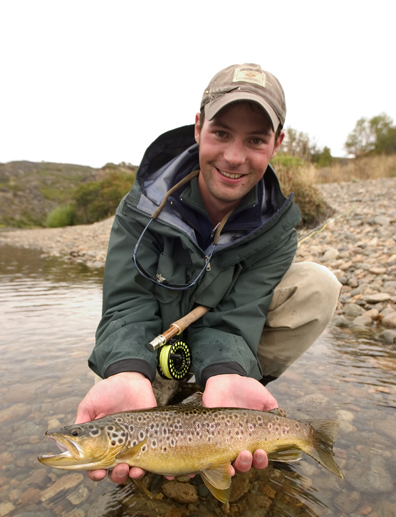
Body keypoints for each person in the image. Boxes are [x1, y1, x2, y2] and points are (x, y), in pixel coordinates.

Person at [75, 63, 341, 485]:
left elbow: (236, 318)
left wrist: (226, 373)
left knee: (317, 286)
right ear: (198, 127)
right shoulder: (142, 207)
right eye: (221, 133)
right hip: (154, 344)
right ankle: (159, 390)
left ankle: (228, 394)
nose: (234, 157)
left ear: (277, 144)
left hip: (221, 350)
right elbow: (126, 303)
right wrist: (126, 370)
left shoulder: (276, 230)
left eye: (255, 140)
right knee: (141, 427)